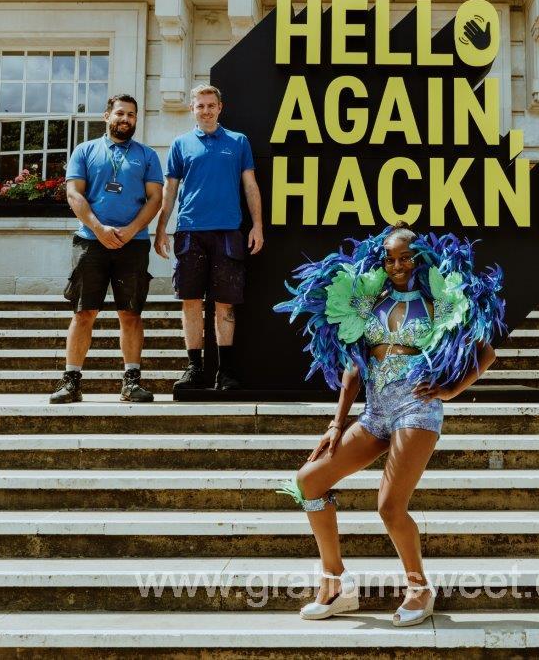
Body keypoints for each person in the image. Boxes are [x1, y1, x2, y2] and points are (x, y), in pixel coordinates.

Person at [273, 226, 504, 627]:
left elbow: (486, 352)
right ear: (382, 260)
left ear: (420, 257)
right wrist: (336, 423)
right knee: (309, 481)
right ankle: (335, 583)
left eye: (406, 257)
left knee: (389, 506)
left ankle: (419, 588)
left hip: (416, 410)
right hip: (376, 413)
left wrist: (450, 390)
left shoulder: (439, 301)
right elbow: (353, 369)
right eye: (391, 258)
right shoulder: (370, 302)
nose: (398, 265)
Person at [50, 94, 163, 404]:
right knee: (84, 311)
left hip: (133, 244)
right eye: (120, 113)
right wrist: (99, 229)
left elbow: (156, 198)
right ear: (106, 116)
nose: (125, 119)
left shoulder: (147, 155)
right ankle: (71, 381)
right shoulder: (85, 151)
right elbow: (74, 194)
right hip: (90, 242)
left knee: (131, 313)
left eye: (131, 115)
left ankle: (131, 381)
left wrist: (130, 230)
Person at [154, 84, 263, 391]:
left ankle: (224, 371)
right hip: (190, 231)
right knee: (190, 301)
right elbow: (170, 189)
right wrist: (161, 228)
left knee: (225, 304)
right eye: (200, 105)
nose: (205, 110)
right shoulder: (180, 144)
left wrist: (257, 226)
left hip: (228, 231)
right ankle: (194, 368)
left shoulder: (238, 142)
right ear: (192, 109)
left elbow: (250, 186)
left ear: (220, 107)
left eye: (210, 105)